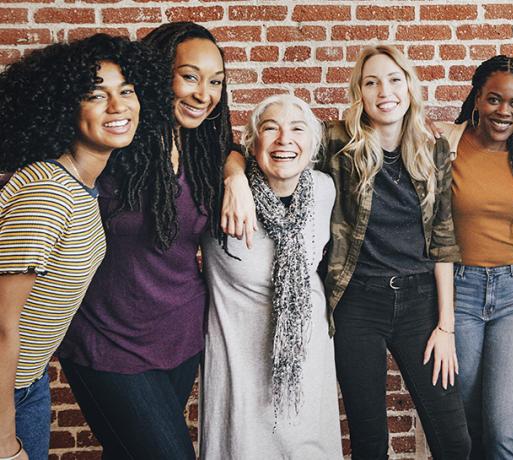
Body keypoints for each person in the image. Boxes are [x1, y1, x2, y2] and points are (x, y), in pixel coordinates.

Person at [222, 45, 470, 459]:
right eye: (371, 82)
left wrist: (446, 327)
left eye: (393, 80)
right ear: (359, 91)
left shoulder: (434, 150)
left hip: (420, 303)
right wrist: (233, 179)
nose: (384, 91)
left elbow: (443, 239)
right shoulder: (336, 142)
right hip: (357, 303)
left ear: (409, 87)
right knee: (369, 439)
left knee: (454, 438)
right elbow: (262, 151)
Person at [57, 22, 231, 460]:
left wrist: (236, 176)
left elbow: (235, 145)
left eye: (215, 82)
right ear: (155, 75)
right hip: (106, 339)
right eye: (189, 76)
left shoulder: (203, 149)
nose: (203, 94)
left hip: (179, 337)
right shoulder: (112, 140)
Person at [0, 34, 167, 460]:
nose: (118, 106)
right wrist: (3, 442)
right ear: (64, 108)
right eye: (97, 95)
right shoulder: (49, 194)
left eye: (126, 91)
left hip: (26, 383)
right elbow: (0, 326)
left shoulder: (80, 187)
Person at [200, 94, 341, 459]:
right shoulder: (220, 194)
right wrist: (233, 176)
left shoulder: (325, 190)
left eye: (297, 130)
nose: (284, 139)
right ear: (252, 142)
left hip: (307, 356)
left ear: (313, 146)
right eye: (270, 128)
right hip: (239, 363)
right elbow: (209, 149)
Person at [436, 55, 513, 459]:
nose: (504, 111)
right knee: (464, 426)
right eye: (494, 99)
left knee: (506, 430)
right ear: (477, 99)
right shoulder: (443, 145)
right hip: (458, 294)